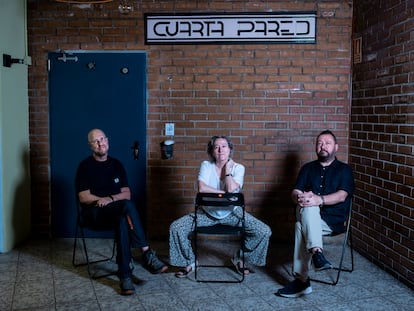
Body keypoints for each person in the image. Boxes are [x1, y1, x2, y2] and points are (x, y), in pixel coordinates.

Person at [75, 128, 168, 296]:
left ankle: (125, 275)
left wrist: (109, 199)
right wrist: (99, 201)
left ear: (107, 141)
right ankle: (146, 253)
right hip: (94, 213)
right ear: (90, 146)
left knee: (122, 219)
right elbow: (83, 197)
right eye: (96, 141)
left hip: (114, 211)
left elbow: (127, 193)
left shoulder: (116, 165)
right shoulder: (85, 166)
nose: (100, 143)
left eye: (102, 139)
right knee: (126, 206)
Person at [169, 135, 272, 277]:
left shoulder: (238, 168)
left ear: (230, 150)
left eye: (224, 146)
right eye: (216, 146)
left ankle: (239, 258)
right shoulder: (206, 165)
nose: (220, 150)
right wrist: (224, 194)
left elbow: (231, 189)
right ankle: (190, 261)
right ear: (211, 151)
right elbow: (202, 188)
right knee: (176, 227)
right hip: (206, 214)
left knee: (264, 231)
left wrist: (228, 169)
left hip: (232, 214)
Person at [276, 130, 355, 298]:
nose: (323, 146)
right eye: (319, 143)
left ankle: (302, 281)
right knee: (308, 204)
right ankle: (317, 253)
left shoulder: (344, 170)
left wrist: (319, 199)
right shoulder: (307, 168)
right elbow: (295, 191)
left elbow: (342, 196)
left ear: (336, 147)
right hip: (306, 211)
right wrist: (301, 197)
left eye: (327, 142)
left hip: (332, 222)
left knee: (300, 225)